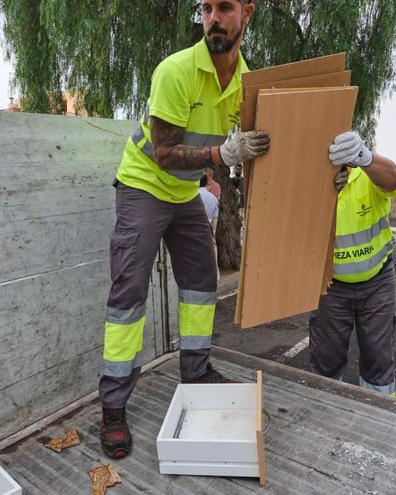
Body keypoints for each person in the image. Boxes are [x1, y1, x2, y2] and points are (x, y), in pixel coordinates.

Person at [99, 0, 269, 459]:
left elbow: (245, 150)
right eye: (206, 7)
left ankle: (195, 371)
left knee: (201, 282)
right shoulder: (176, 71)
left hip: (183, 193)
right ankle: (113, 405)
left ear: (246, 14)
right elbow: (163, 150)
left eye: (225, 7)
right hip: (143, 184)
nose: (213, 17)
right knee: (129, 294)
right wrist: (220, 158)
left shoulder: (245, 85)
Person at [308, 131, 396, 396]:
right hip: (330, 286)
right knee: (326, 357)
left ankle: (380, 414)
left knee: (377, 355)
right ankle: (324, 408)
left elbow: (394, 178)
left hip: (377, 283)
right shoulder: (312, 185)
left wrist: (365, 157)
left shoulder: (367, 176)